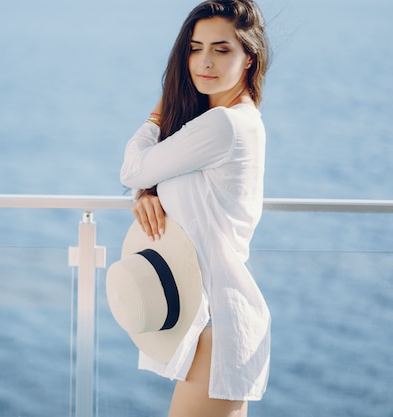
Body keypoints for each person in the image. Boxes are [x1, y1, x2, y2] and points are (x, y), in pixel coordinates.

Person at [119, 0, 271, 416]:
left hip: (218, 324)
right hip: (211, 319)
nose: (204, 61)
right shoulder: (230, 120)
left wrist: (157, 113)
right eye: (195, 47)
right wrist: (148, 195)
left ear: (249, 58)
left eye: (221, 50)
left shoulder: (223, 125)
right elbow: (165, 182)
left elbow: (132, 167)